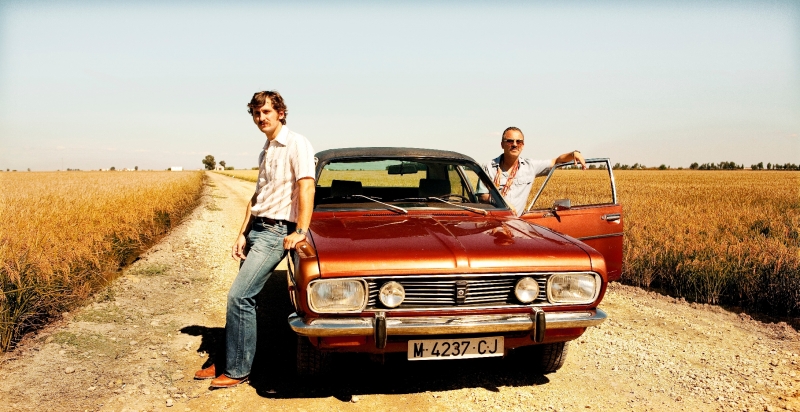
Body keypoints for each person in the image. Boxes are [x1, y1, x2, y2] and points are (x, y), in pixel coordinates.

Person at [194, 91, 316, 388]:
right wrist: (241, 233)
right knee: (246, 298)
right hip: (257, 229)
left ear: (281, 113)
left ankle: (237, 369)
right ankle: (228, 359)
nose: (261, 118)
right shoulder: (266, 149)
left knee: (239, 297)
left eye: (266, 112)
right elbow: (257, 197)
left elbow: (307, 187)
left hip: (276, 231)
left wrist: (300, 231)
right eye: (256, 114)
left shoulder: (297, 143)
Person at [477, 126, 586, 216]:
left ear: (523, 145)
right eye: (510, 141)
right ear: (502, 144)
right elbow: (482, 196)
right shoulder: (488, 167)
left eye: (519, 142)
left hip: (516, 224)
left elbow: (556, 161)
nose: (514, 144)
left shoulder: (530, 166)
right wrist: (504, 203)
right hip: (493, 222)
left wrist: (573, 154)